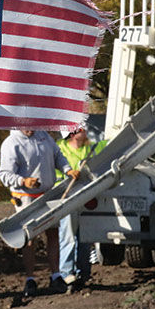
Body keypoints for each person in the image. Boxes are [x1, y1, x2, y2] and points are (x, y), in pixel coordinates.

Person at [0, 129, 80, 297]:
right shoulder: (11, 143)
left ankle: (56, 276)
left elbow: (57, 155)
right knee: (29, 238)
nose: (31, 128)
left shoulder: (44, 137)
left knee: (53, 234)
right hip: (26, 197)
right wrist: (23, 181)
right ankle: (30, 279)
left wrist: (67, 169)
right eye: (28, 124)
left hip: (47, 195)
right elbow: (5, 174)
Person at [55, 125, 107, 292]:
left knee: (84, 238)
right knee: (68, 235)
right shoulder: (59, 149)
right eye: (81, 130)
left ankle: (83, 272)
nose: (84, 131)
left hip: (85, 198)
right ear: (71, 134)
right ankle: (66, 273)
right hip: (67, 198)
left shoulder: (92, 148)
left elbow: (111, 145)